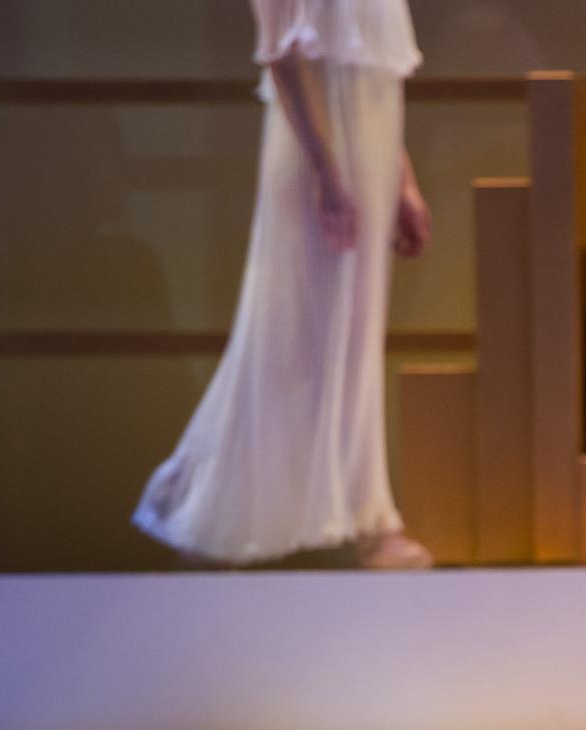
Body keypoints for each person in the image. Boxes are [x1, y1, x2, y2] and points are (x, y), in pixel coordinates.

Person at [132, 0, 434, 569]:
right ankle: (213, 510)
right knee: (286, 336)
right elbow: (284, 58)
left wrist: (402, 180)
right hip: (318, 158)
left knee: (356, 340)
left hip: (364, 159)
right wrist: (326, 171)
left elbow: (367, 76)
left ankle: (369, 516)